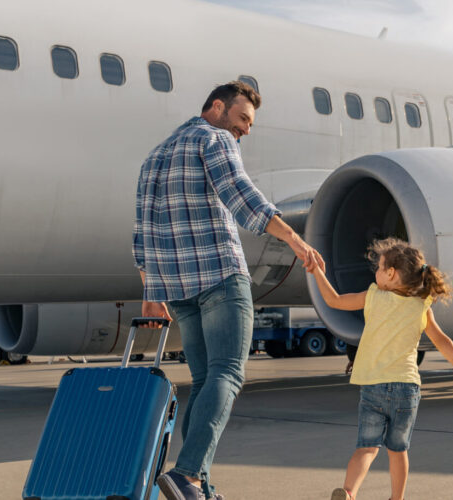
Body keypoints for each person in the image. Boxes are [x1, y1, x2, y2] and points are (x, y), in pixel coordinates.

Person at [133, 80, 323, 500]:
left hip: (179, 287)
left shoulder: (154, 157)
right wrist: (295, 240)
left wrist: (151, 290)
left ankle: (198, 482)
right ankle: (187, 475)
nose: (246, 130)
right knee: (228, 373)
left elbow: (143, 230)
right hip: (219, 275)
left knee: (204, 381)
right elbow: (241, 196)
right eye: (243, 118)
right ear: (217, 107)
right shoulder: (214, 139)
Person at [311, 238, 453, 500]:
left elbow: (333, 300)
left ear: (391, 274)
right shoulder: (421, 305)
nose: (377, 272)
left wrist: (316, 272)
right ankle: (397, 498)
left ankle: (348, 492)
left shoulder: (373, 297)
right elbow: (442, 341)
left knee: (366, 448)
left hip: (373, 387)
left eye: (379, 267)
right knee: (398, 450)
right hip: (406, 388)